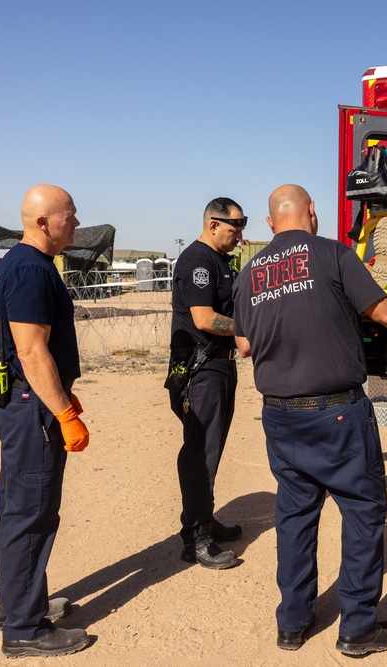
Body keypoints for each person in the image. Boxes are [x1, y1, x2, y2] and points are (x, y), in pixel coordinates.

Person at [232, 184, 387, 655]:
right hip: (337, 414)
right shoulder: (332, 254)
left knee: (295, 517)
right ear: (313, 213)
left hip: (280, 416)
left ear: (270, 223)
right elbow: (384, 312)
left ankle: (292, 623)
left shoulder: (249, 272)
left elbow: (242, 345)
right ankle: (357, 628)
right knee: (362, 514)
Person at [0, 185, 91, 658]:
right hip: (33, 411)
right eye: (70, 215)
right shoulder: (30, 269)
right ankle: (25, 629)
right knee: (32, 513)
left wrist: (63, 392)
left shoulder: (20, 262)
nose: (77, 222)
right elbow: (30, 350)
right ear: (43, 222)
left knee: (14, 507)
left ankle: (13, 601)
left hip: (21, 404)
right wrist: (63, 412)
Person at [168, 197, 247, 570]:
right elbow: (203, 318)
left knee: (209, 451)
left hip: (218, 367)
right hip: (201, 370)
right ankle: (195, 538)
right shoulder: (198, 260)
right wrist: (251, 330)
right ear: (213, 225)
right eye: (234, 230)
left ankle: (205, 519)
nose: (239, 238)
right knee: (201, 455)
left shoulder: (219, 260)